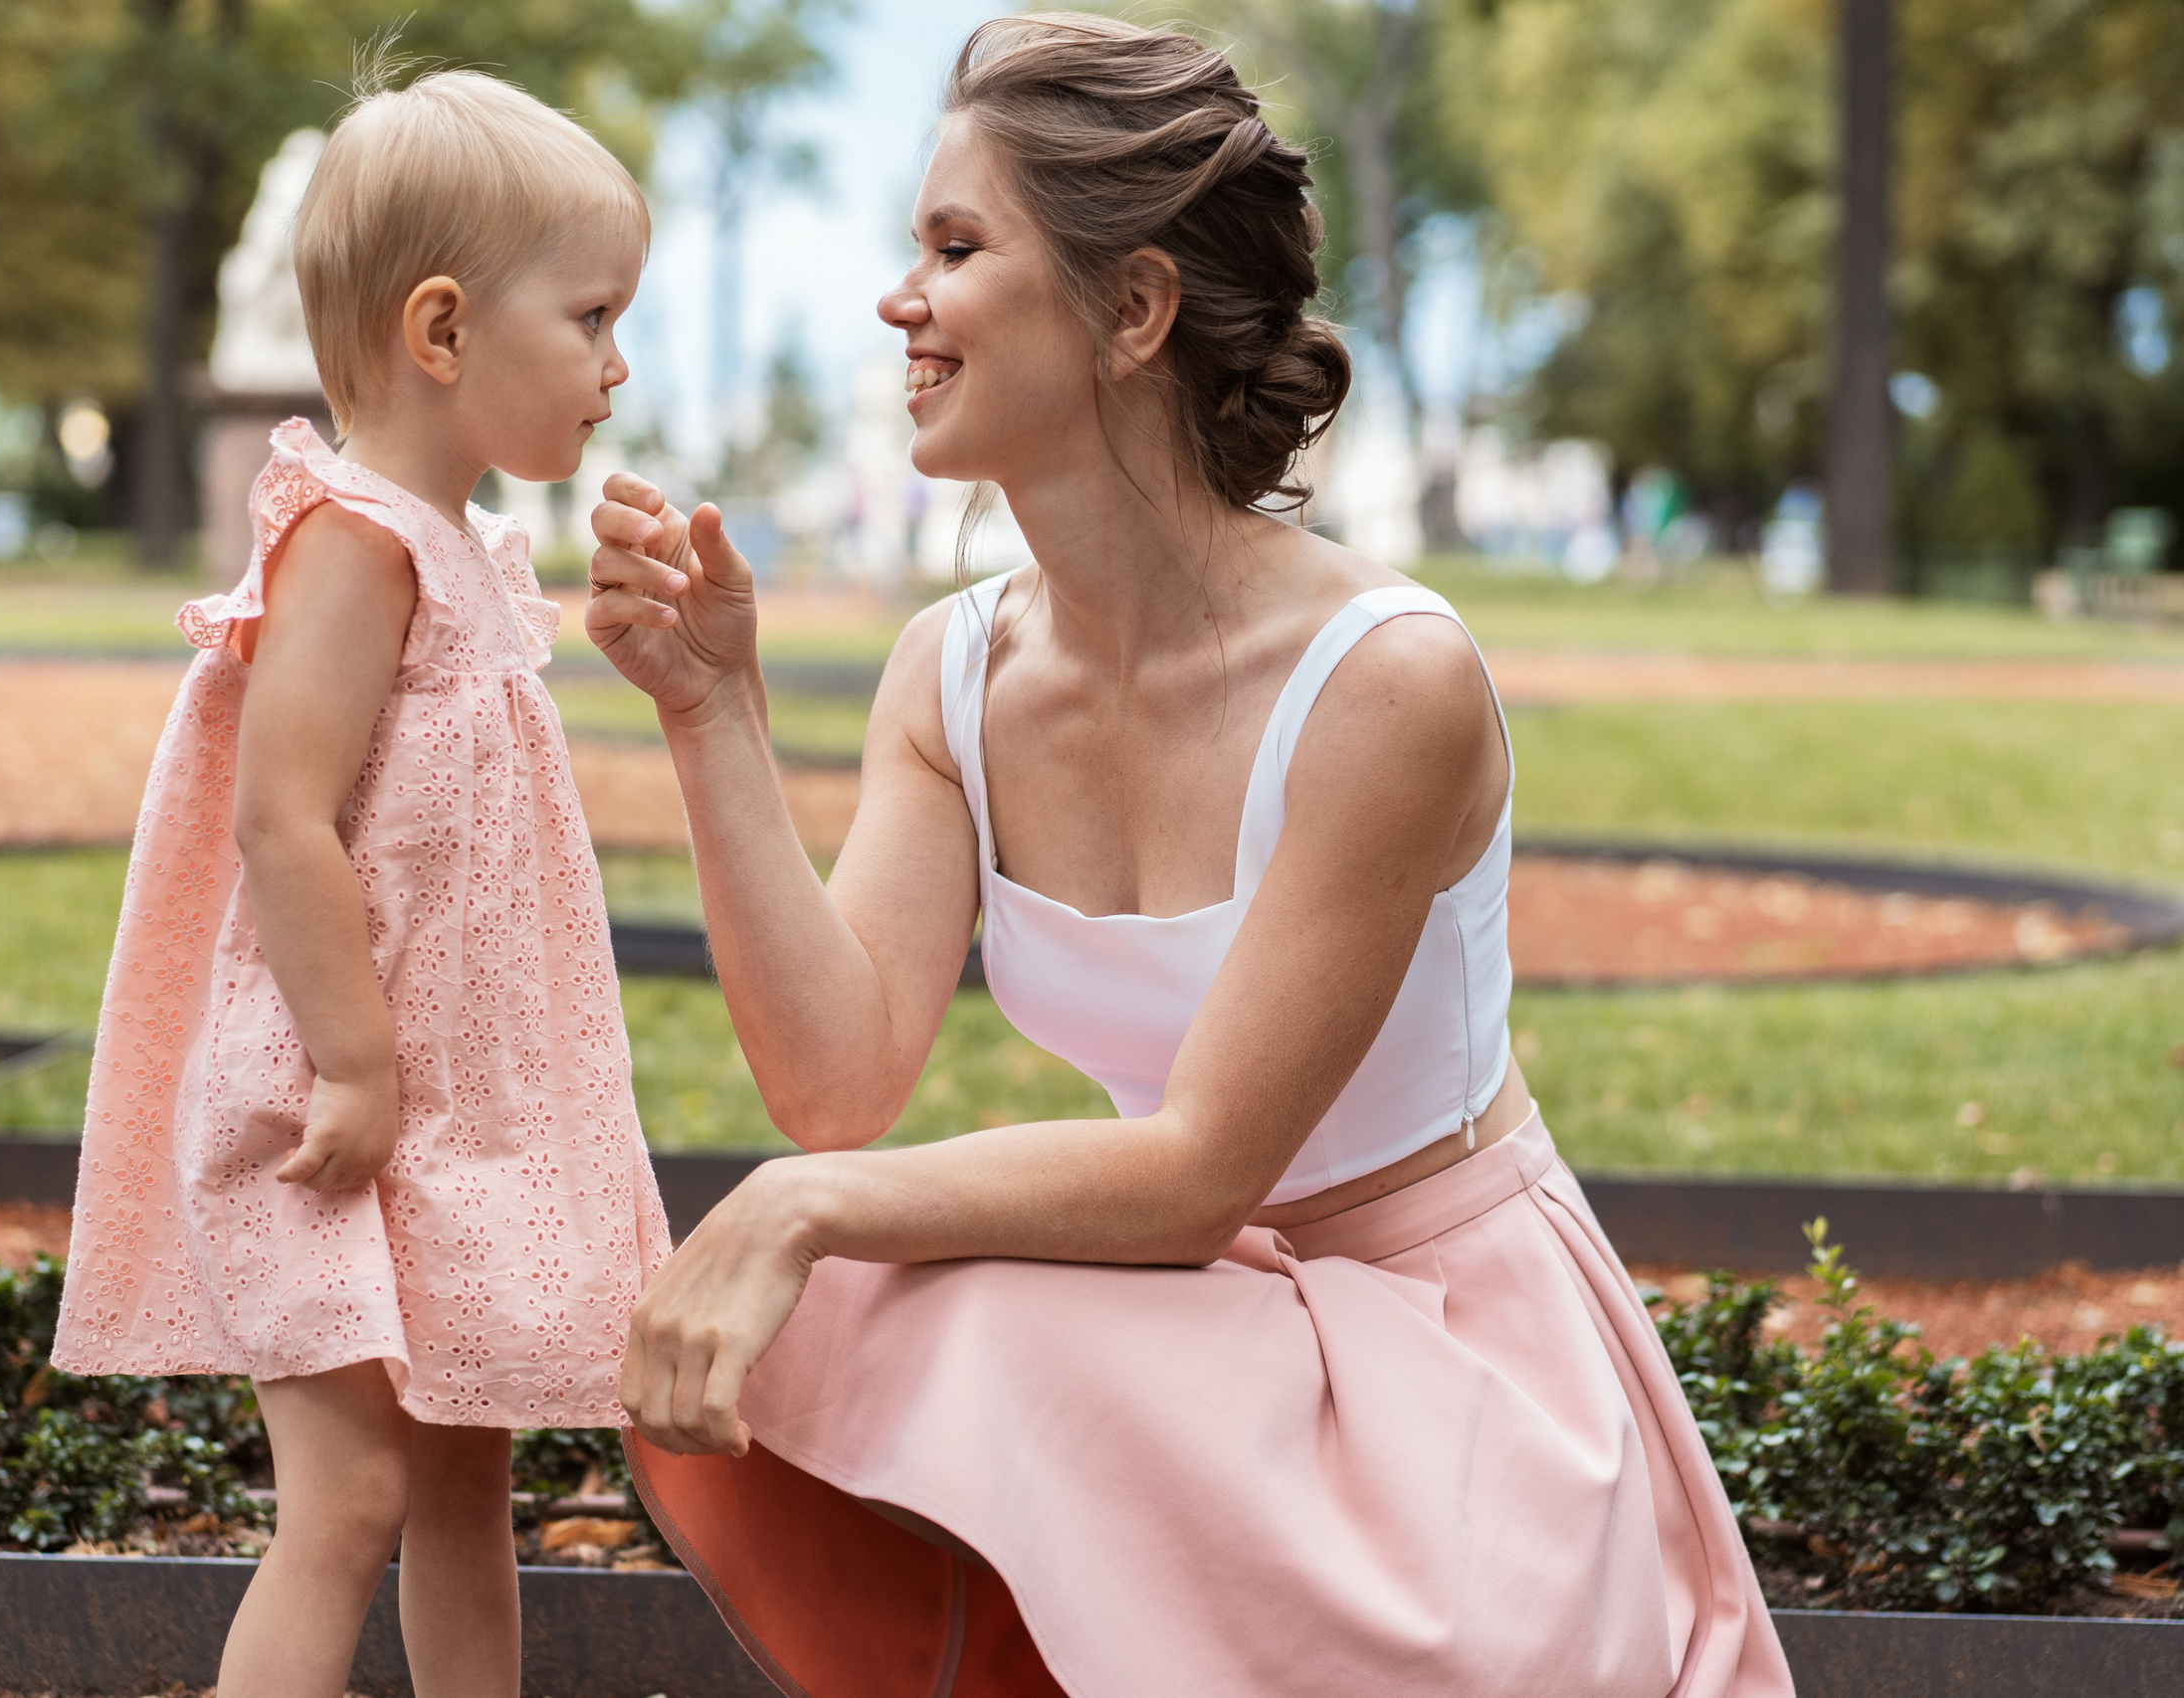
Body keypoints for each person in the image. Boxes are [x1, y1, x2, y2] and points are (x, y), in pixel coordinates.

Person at [583, 15, 1794, 1697]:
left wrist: (806, 1205)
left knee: (893, 1274)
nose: (897, 300)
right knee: (868, 1301)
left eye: (954, 247)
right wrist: (713, 714)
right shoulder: (953, 676)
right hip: (1212, 1344)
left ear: (1135, 309)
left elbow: (1203, 1163)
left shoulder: (1386, 682)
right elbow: (839, 1078)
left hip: (1452, 1385)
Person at [51, 68, 671, 1698]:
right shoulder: (355, 542)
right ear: (446, 331)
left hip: (459, 1118)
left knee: (469, 1481)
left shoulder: (459, 550)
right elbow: (282, 819)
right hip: (342, 1102)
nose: (618, 366)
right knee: (351, 1497)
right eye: (594, 316)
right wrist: (353, 1057)